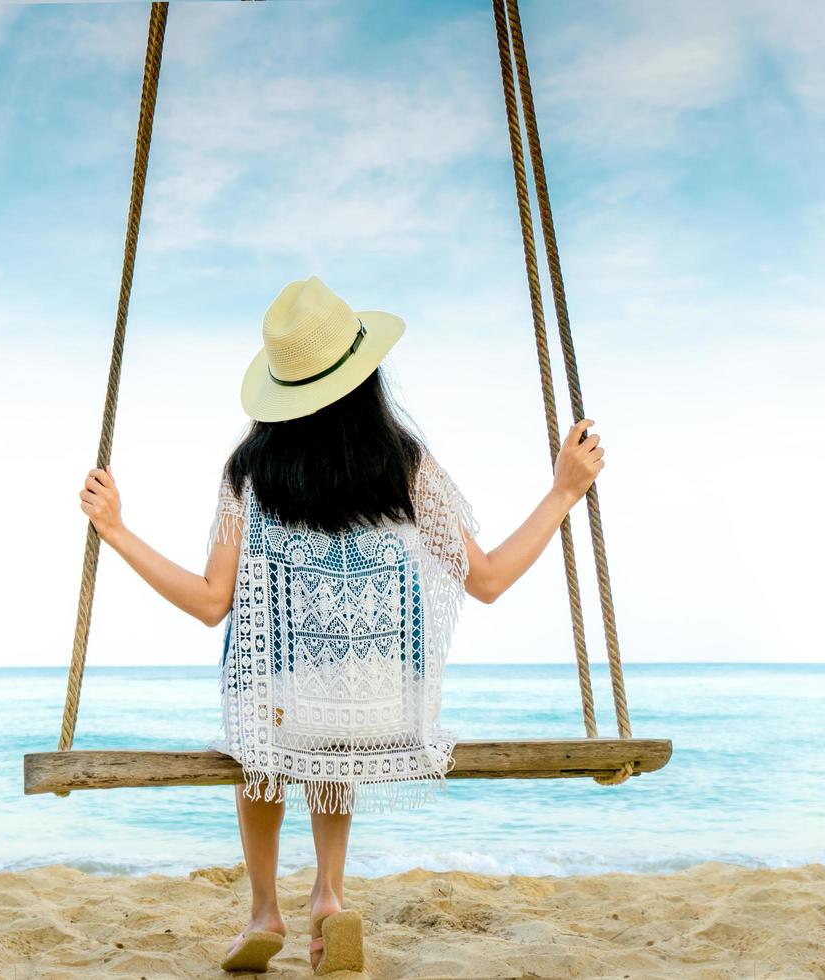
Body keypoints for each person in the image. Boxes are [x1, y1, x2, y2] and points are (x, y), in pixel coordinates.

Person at [75, 274, 605, 974]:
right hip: (383, 706)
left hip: (282, 712)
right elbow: (489, 580)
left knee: (261, 732)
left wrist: (115, 531)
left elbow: (211, 603)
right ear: (365, 374)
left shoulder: (250, 471)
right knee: (335, 718)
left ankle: (265, 909)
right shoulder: (405, 464)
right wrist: (564, 490)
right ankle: (328, 893)